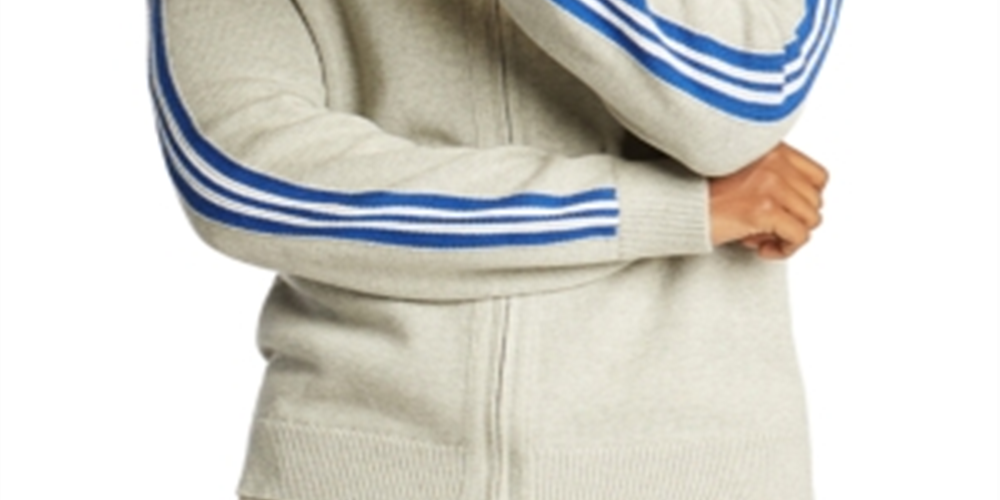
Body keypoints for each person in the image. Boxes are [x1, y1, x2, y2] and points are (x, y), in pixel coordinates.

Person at [149, 0, 838, 498]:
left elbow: (740, 104)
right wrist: (655, 208)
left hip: (692, 466)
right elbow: (240, 181)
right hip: (362, 458)